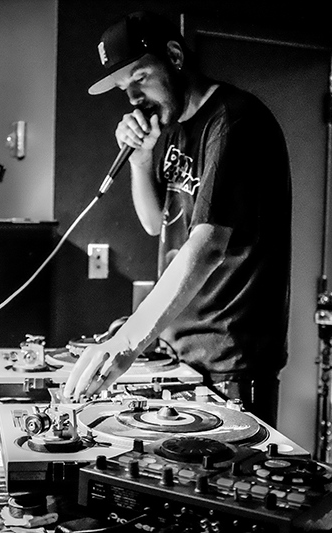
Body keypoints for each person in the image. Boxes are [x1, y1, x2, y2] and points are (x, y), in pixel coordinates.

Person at [63, 11, 292, 427]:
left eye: (140, 78)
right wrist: (140, 160)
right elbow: (157, 224)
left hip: (229, 358)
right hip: (180, 350)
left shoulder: (234, 122)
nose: (134, 98)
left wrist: (126, 342)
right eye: (124, 87)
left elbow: (207, 248)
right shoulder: (175, 126)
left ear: (174, 56)